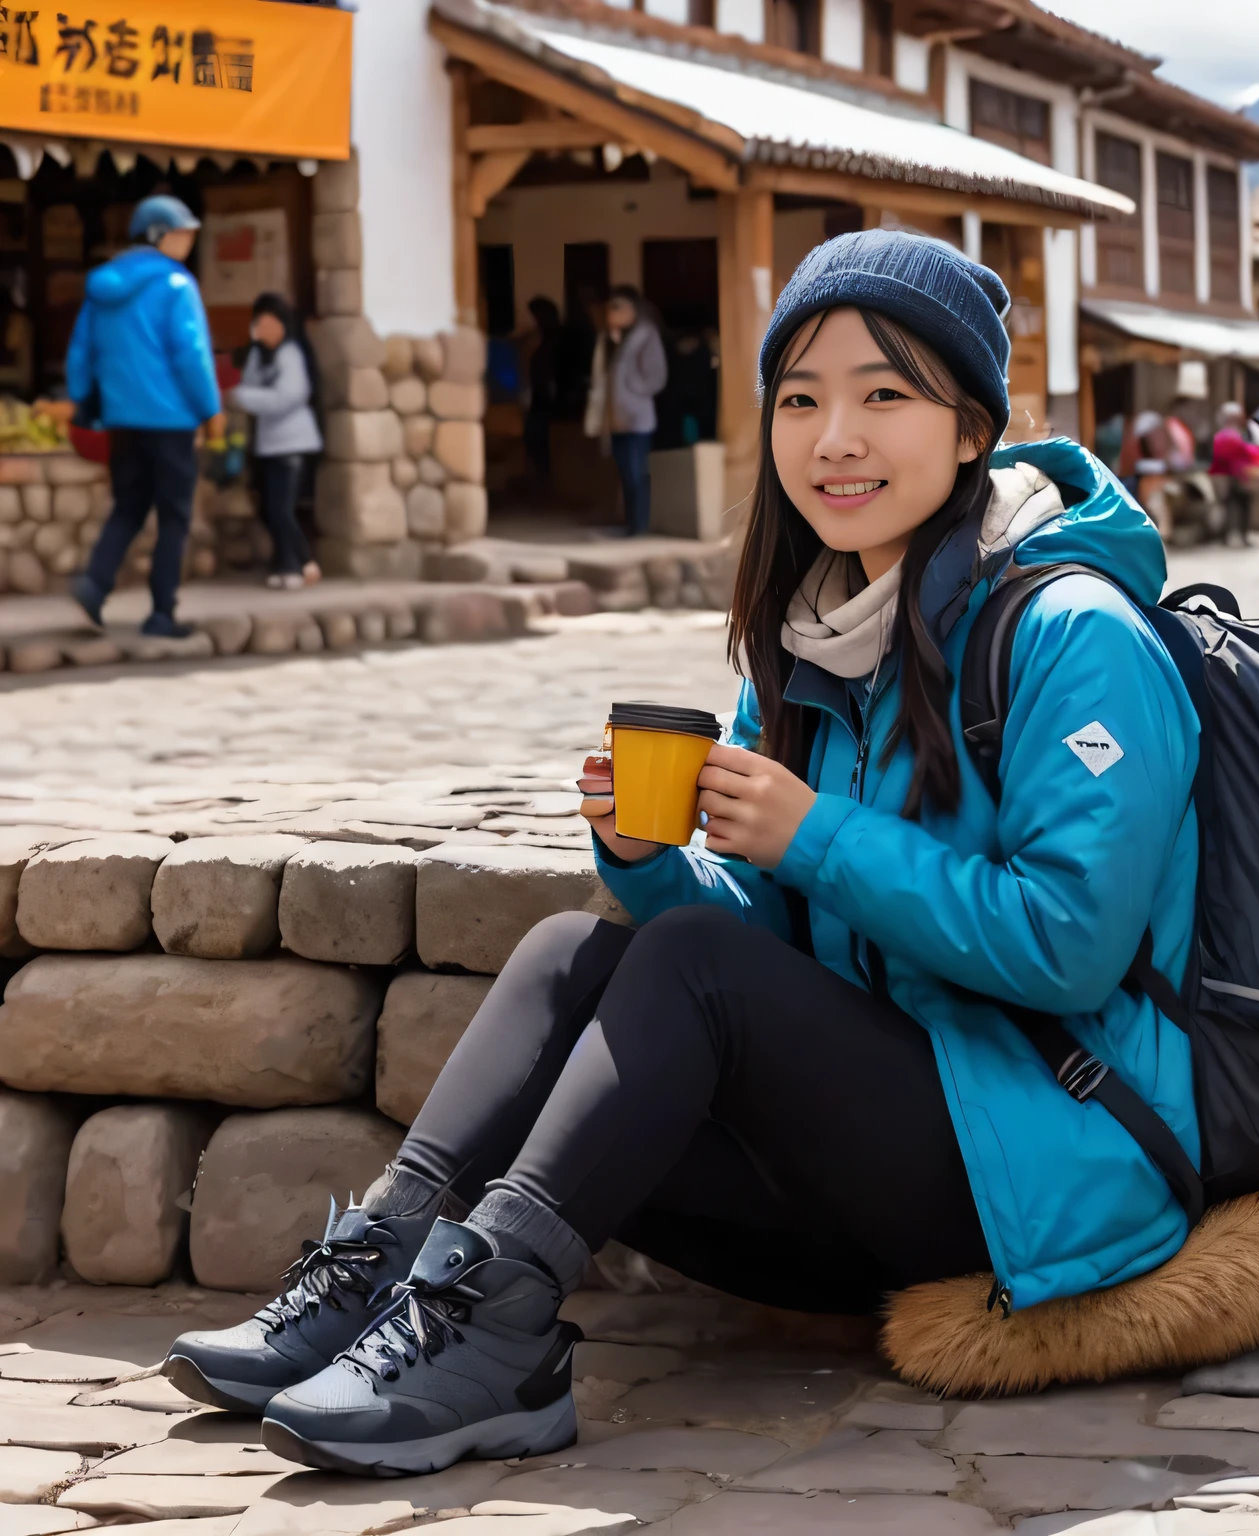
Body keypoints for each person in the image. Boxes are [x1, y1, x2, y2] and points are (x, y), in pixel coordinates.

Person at [165, 230, 1200, 1479]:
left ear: (973, 429)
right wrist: (650, 860)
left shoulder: (1076, 633)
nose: (835, 439)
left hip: (1038, 1175)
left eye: (885, 395)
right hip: (853, 1175)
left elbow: (1071, 946)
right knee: (574, 951)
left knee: (695, 964)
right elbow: (761, 930)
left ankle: (493, 1338)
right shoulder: (817, 635)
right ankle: (378, 1267)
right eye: (802, 399)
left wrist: (814, 834)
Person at [66, 194, 222, 637]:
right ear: (160, 235)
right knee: (174, 518)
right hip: (171, 421)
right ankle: (161, 612)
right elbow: (191, 355)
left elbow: (81, 353)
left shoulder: (101, 288)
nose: (189, 241)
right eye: (183, 233)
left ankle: (95, 584)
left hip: (123, 420)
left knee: (128, 507)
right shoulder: (176, 286)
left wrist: (85, 401)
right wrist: (210, 409)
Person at [226, 293, 322, 591]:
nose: (264, 328)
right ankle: (286, 563)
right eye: (259, 321)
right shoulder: (257, 355)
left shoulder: (291, 354)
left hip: (293, 443)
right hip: (268, 444)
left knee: (282, 508)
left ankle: (302, 562)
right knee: (269, 508)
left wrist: (241, 397)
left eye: (270, 321)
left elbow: (287, 397)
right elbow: (250, 386)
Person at [585, 284, 667, 535]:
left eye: (618, 308)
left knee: (636, 473)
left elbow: (656, 376)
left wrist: (633, 388)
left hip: (637, 417)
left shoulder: (646, 333)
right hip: (616, 419)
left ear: (633, 310)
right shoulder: (613, 338)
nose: (612, 313)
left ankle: (639, 526)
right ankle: (631, 523)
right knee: (624, 473)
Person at [1210, 401, 1259, 545]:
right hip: (1229, 476)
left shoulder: (1242, 431)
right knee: (1231, 506)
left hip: (1240, 475)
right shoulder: (1226, 435)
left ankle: (1238, 535)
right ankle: (1229, 535)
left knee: (1241, 505)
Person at [521, 296, 561, 485]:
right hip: (536, 394)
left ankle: (544, 479)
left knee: (538, 436)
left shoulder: (552, 340)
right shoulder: (536, 338)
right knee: (532, 436)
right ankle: (539, 477)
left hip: (545, 396)